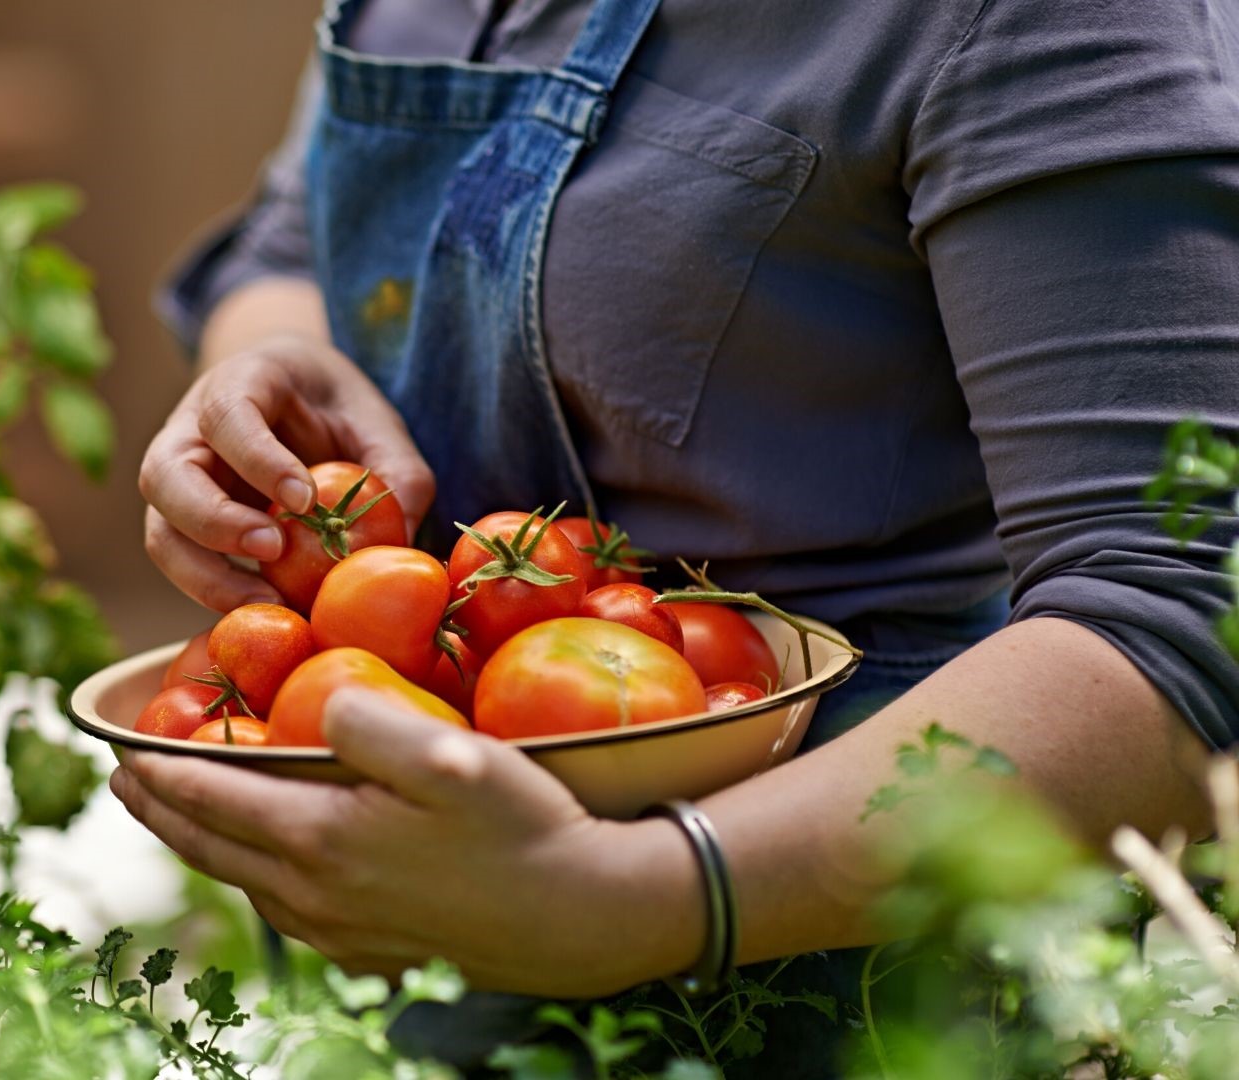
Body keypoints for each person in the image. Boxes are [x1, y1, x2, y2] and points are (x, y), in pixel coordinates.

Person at [110, 0, 1239, 1072]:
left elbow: (1185, 615)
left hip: (846, 992)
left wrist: (647, 895)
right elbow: (289, 246)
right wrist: (274, 384)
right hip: (381, 965)